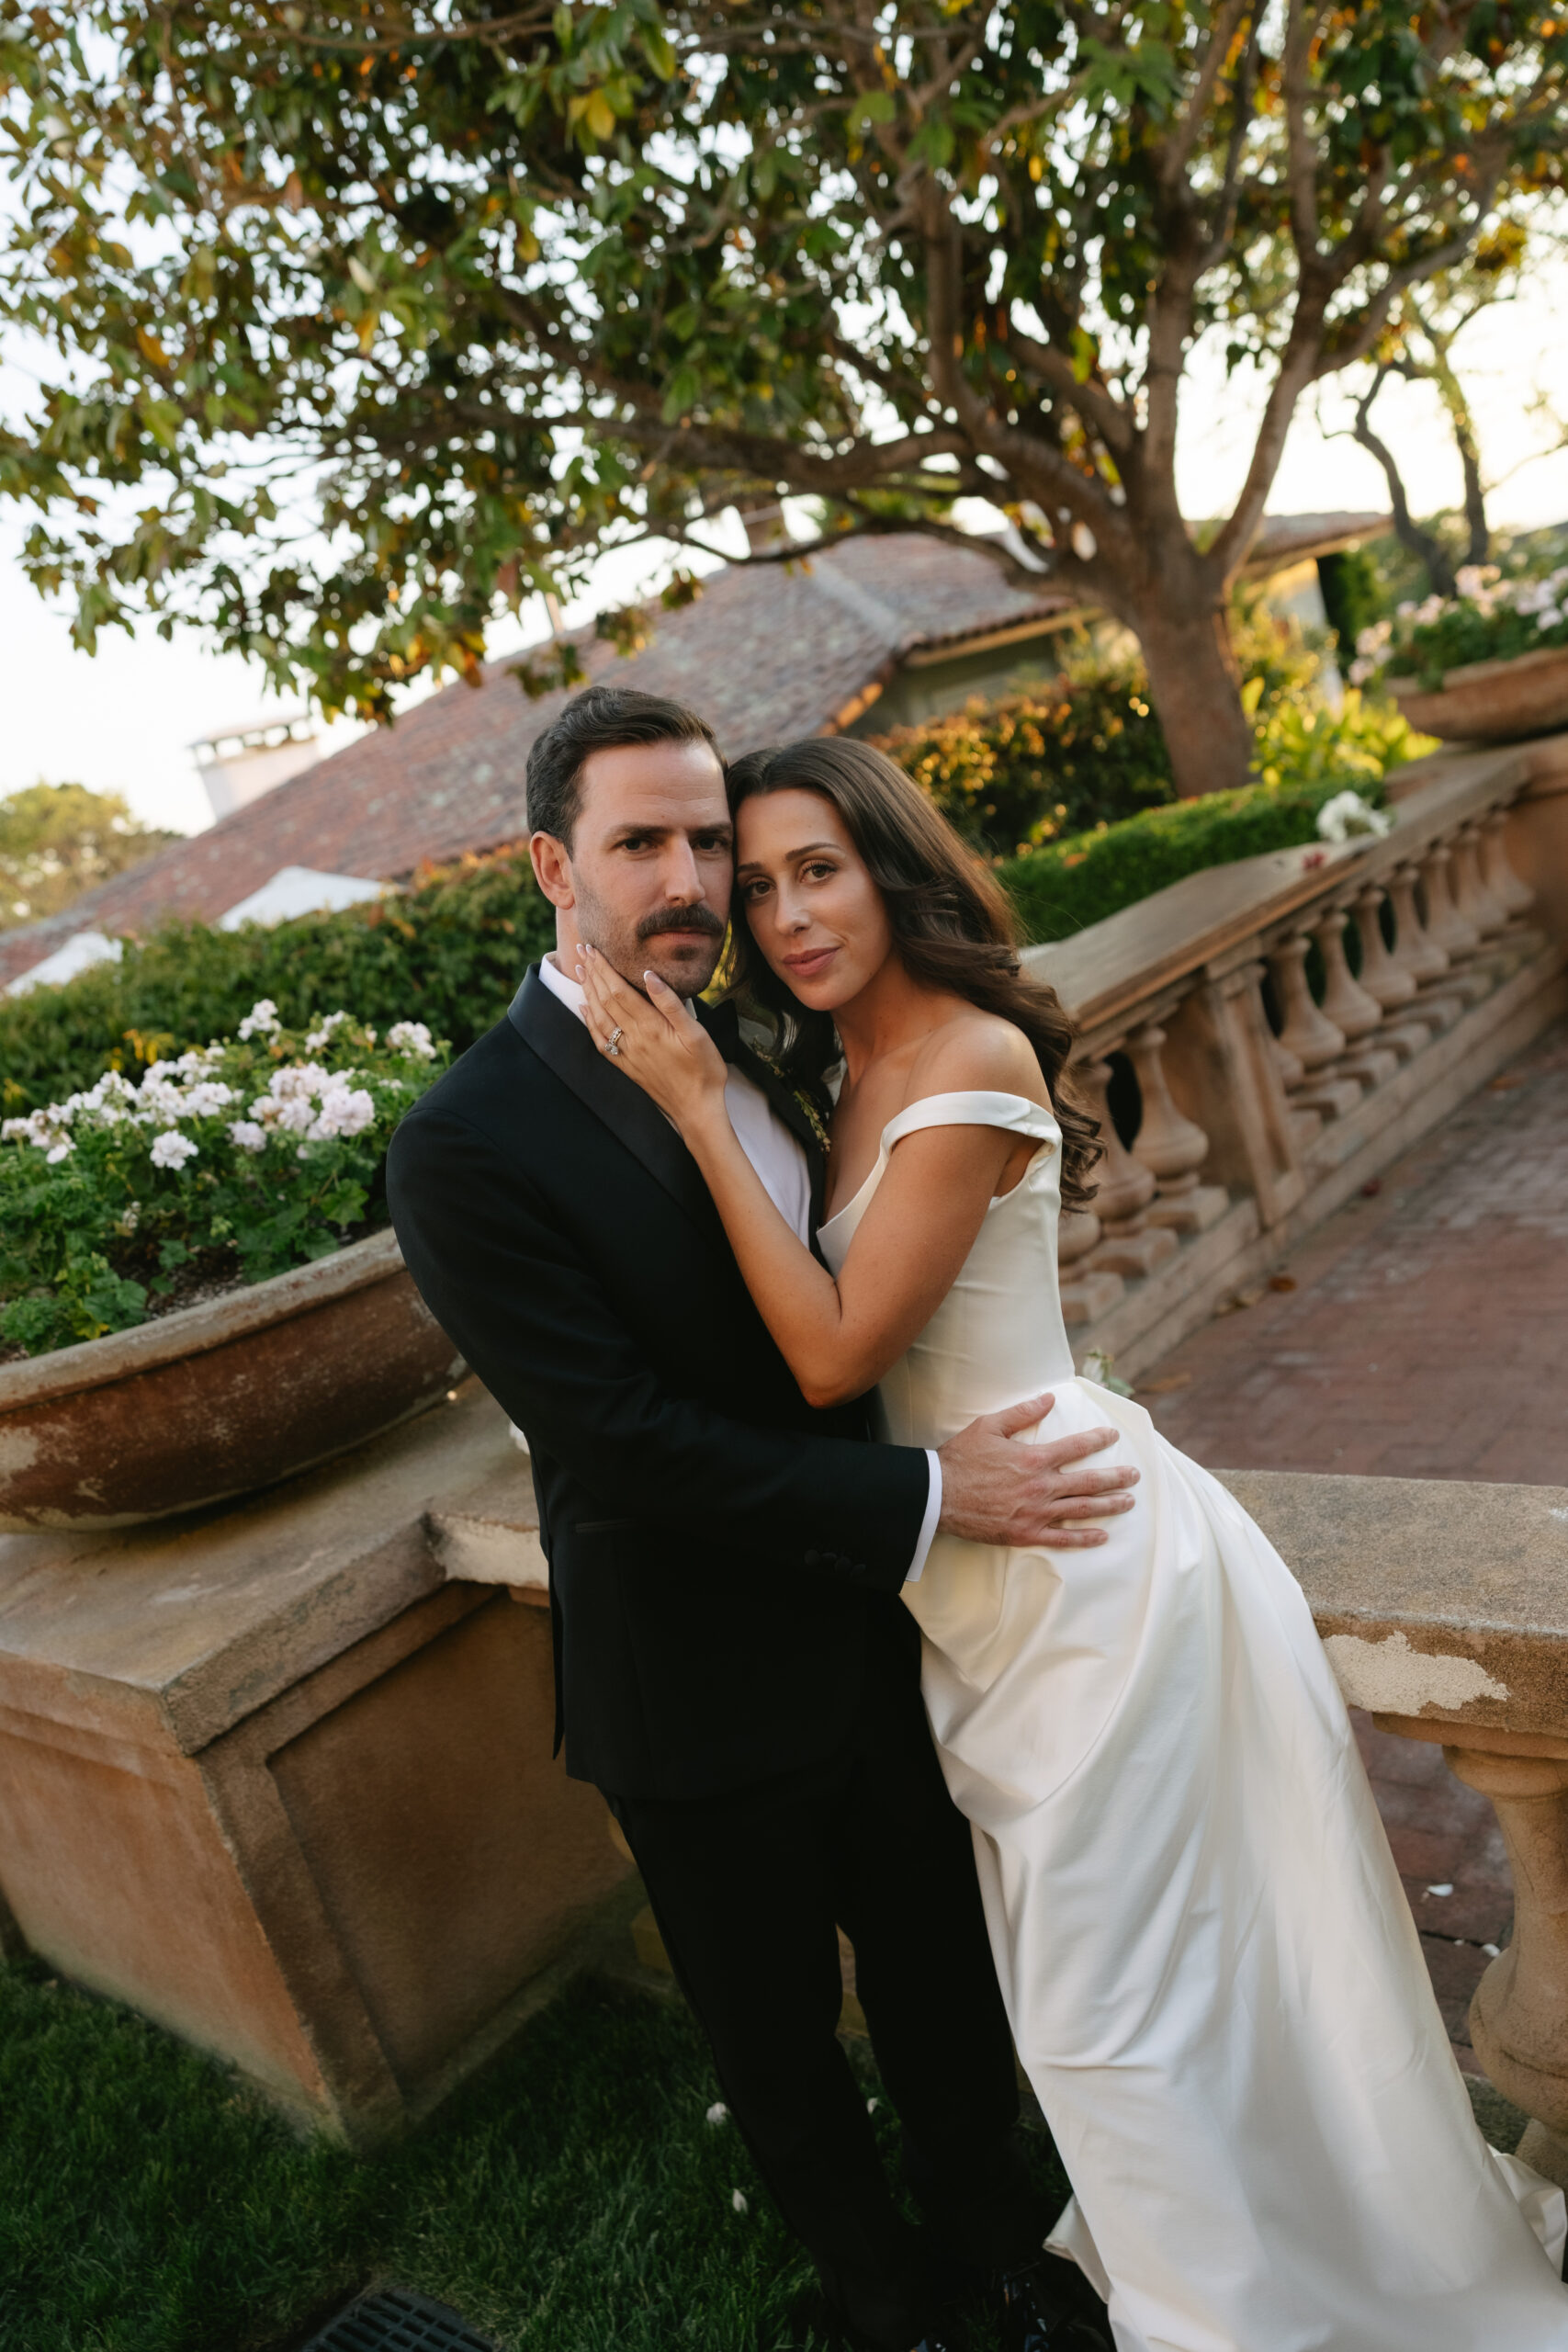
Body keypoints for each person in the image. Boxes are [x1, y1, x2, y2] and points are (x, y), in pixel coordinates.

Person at [576, 729, 1568, 2352]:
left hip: (1083, 1571)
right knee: (1101, 2008)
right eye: (753, 889)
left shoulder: (968, 1060)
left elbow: (833, 1355)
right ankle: (1224, 2272)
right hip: (968, 1577)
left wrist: (690, 1108)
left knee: (1123, 2003)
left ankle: (1230, 2320)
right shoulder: (838, 1071)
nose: (786, 918)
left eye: (817, 870)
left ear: (891, 866)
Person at [386, 686, 1141, 2352]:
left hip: (882, 1643)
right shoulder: (462, 1145)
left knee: (948, 1996)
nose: (692, 877)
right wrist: (933, 1495)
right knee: (782, 2050)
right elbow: (628, 1444)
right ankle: (881, 2313)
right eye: (640, 841)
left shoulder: (750, 1041)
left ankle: (1003, 2266)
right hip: (697, 1685)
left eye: (711, 839)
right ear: (547, 866)